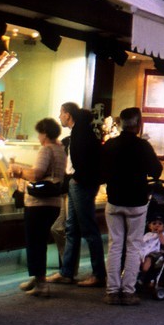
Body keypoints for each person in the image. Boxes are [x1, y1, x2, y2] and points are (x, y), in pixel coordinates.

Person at [99, 106, 162, 305]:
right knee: (134, 247)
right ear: (138, 125)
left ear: (120, 124)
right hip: (136, 202)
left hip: (114, 199)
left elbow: (101, 172)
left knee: (115, 245)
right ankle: (128, 291)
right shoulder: (143, 146)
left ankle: (111, 290)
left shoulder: (110, 145)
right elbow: (156, 171)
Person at [11, 116, 67, 297]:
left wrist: (19, 171)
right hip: (54, 202)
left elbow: (37, 174)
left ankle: (41, 283)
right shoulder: (60, 150)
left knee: (35, 241)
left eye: (39, 133)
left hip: (38, 203)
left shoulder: (46, 150)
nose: (38, 137)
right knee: (40, 241)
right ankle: (37, 277)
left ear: (44, 133)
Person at [52, 102, 105, 287]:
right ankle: (66, 272)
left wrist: (77, 179)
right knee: (71, 228)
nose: (59, 116)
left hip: (81, 185)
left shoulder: (80, 133)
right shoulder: (81, 132)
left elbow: (83, 160)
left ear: (68, 115)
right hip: (80, 184)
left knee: (88, 229)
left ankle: (98, 274)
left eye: (61, 112)